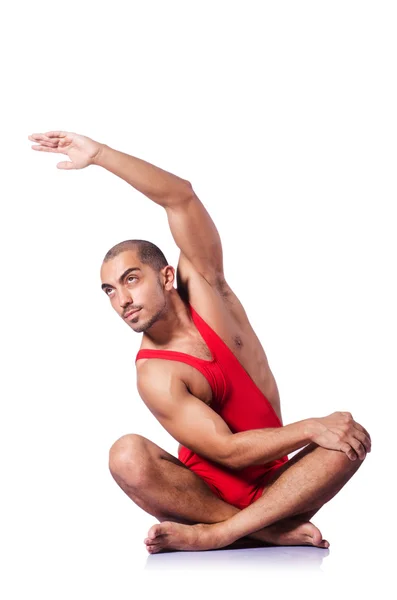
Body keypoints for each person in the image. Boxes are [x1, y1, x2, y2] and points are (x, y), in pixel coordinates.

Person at [28, 130, 371, 554]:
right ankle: (238, 529)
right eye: (110, 291)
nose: (122, 300)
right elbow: (228, 453)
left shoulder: (209, 288)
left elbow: (180, 198)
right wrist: (310, 426)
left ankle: (245, 528)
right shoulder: (154, 372)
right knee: (125, 455)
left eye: (130, 280)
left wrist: (99, 154)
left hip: (281, 484)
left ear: (167, 276)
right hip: (200, 495)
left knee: (351, 437)